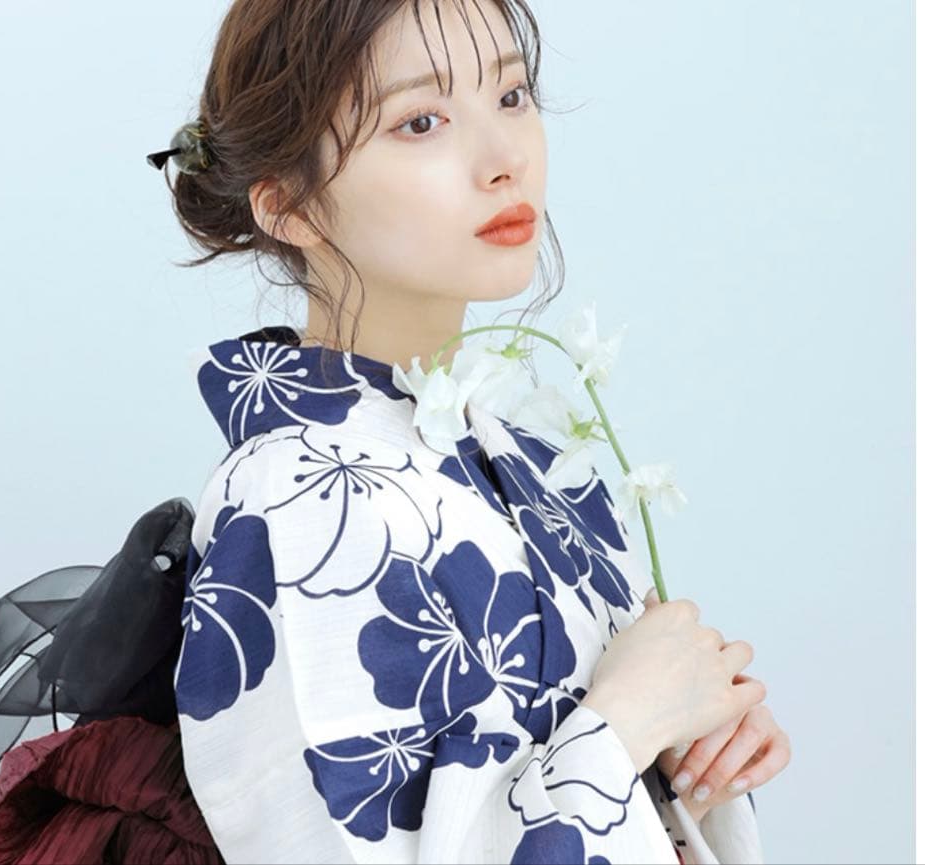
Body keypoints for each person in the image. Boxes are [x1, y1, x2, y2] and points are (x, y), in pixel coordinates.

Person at [152, 1, 784, 862]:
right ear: (290, 205)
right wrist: (625, 722)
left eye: (512, 97)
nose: (503, 159)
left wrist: (701, 758)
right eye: (421, 121)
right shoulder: (294, 499)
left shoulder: (546, 471)